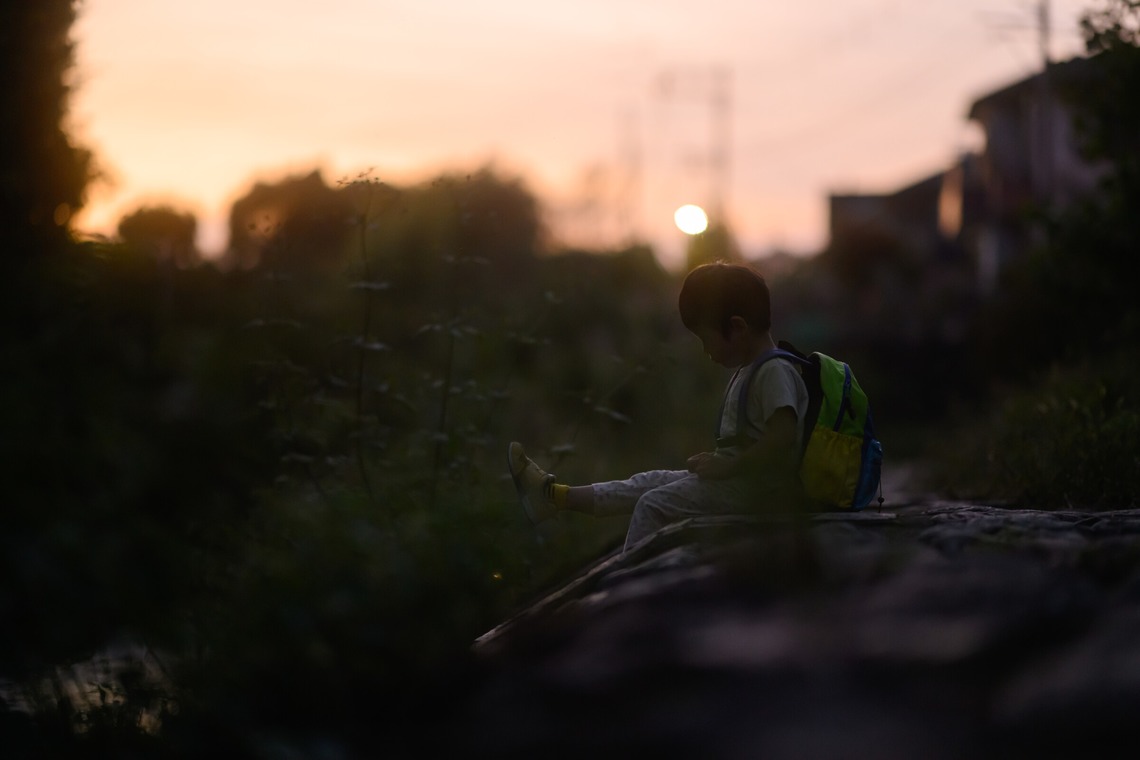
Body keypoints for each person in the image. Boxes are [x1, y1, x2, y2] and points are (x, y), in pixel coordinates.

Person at [508, 261, 810, 553]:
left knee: (653, 504)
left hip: (760, 492)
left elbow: (782, 435)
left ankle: (626, 586)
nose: (706, 353)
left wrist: (730, 465)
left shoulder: (774, 370)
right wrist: (721, 460)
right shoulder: (751, 369)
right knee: (648, 483)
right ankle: (553, 497)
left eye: (706, 340)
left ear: (737, 328)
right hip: (739, 483)